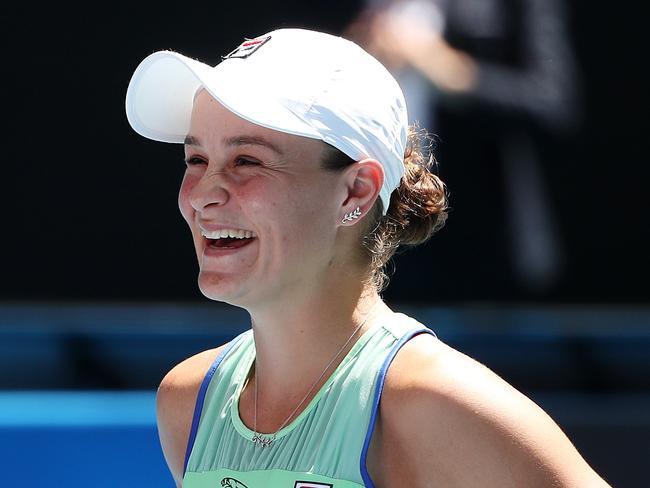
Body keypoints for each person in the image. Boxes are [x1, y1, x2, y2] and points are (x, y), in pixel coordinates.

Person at [125, 28, 609, 487]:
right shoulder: (185, 402)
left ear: (355, 190)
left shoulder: (437, 403)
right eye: (196, 160)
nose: (203, 194)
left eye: (247, 160)